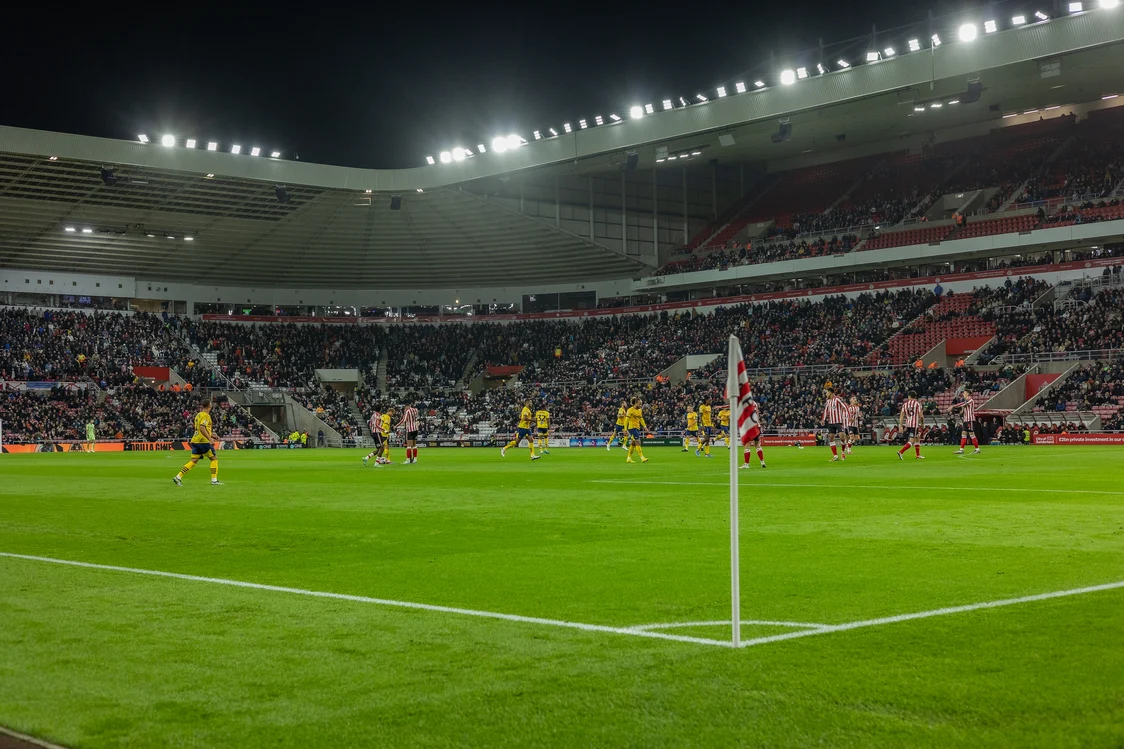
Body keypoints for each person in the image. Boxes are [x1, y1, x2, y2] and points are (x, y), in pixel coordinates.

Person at [173, 399, 222, 486]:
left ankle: (178, 477)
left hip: (195, 440)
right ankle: (214, 480)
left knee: (193, 461)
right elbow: (202, 428)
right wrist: (210, 440)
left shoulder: (198, 415)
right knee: (214, 459)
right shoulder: (206, 415)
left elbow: (200, 429)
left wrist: (213, 436)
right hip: (203, 441)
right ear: (209, 405)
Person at [948, 388, 981, 455]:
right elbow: (963, 408)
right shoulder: (966, 401)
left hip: (970, 420)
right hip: (965, 420)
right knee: (963, 434)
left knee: (971, 434)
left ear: (967, 394)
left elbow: (963, 404)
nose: (963, 394)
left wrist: (953, 406)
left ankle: (977, 449)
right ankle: (961, 449)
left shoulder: (970, 400)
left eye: (964, 393)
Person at [821, 386, 848, 462]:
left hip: (839, 421)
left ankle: (843, 452)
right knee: (831, 437)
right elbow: (826, 411)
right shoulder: (828, 401)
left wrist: (848, 416)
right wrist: (823, 419)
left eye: (827, 393)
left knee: (842, 438)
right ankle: (835, 456)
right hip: (831, 422)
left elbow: (845, 406)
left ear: (830, 392)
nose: (826, 394)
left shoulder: (837, 399)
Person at [897, 391, 926, 460]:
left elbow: (901, 416)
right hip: (914, 425)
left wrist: (900, 426)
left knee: (917, 438)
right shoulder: (917, 404)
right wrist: (922, 424)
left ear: (909, 396)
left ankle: (918, 455)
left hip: (908, 424)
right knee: (912, 441)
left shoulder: (905, 404)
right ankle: (901, 452)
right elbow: (921, 416)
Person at [739, 398, 766, 469]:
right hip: (757, 426)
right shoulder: (755, 403)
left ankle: (746, 464)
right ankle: (762, 462)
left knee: (747, 445)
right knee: (757, 445)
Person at [625, 397, 649, 464]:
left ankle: (628, 458)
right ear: (636, 403)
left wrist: (645, 426)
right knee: (638, 441)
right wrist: (625, 429)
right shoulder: (630, 410)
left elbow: (641, 419)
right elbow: (626, 420)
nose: (641, 405)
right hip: (631, 428)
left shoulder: (639, 410)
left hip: (637, 428)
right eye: (639, 404)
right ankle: (642, 457)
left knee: (633, 443)